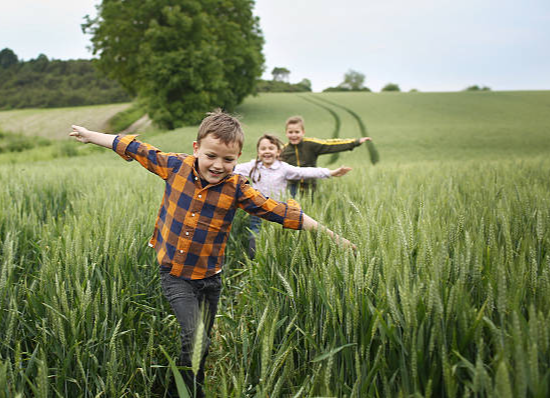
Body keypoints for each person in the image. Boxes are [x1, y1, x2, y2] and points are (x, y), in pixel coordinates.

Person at [69, 110, 355, 397]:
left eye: (228, 160)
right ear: (196, 149)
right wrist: (91, 136)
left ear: (239, 156)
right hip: (175, 274)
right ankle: (177, 392)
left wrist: (335, 237)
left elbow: (281, 212)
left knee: (202, 342)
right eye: (211, 156)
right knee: (195, 339)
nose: (218, 165)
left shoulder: (238, 189)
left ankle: (195, 389)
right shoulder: (175, 166)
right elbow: (134, 148)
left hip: (210, 278)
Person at [234, 133, 352, 258]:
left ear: (278, 152)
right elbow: (233, 168)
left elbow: (304, 171)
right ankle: (255, 261)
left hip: (278, 211)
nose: (267, 151)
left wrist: (330, 172)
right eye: (263, 149)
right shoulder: (253, 166)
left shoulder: (283, 168)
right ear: (258, 152)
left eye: (271, 148)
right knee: (255, 236)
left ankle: (274, 259)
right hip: (257, 211)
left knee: (277, 240)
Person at [280, 115, 372, 197]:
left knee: (310, 211)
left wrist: (355, 142)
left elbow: (331, 144)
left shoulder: (311, 144)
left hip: (310, 186)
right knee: (291, 213)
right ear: (286, 133)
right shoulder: (283, 150)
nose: (294, 135)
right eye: (290, 132)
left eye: (297, 132)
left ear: (303, 132)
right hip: (291, 188)